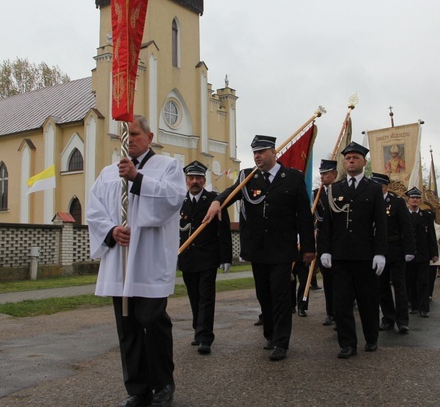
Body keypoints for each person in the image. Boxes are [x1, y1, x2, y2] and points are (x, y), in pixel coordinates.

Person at [87, 115, 185, 407]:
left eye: (136, 133)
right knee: (127, 326)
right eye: (126, 135)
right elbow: (94, 211)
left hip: (150, 259)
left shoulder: (168, 166)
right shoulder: (107, 173)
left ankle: (162, 385)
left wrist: (136, 178)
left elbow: (173, 199)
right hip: (121, 259)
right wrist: (111, 230)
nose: (131, 139)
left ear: (150, 136)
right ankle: (137, 389)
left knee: (152, 321)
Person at [205, 135, 315, 362]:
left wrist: (308, 248)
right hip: (257, 248)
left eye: (262, 152)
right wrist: (217, 200)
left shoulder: (293, 178)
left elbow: (304, 217)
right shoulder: (247, 177)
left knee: (281, 295)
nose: (257, 156)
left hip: (282, 248)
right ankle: (270, 334)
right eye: (254, 152)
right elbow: (232, 193)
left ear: (274, 152)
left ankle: (281, 342)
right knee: (263, 294)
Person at [318, 142, 387, 358]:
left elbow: (380, 223)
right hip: (341, 255)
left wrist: (380, 252)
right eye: (348, 158)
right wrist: (325, 250)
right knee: (342, 302)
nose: (351, 161)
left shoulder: (373, 188)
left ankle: (371, 337)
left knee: (368, 300)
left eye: (355, 158)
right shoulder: (335, 189)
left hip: (365, 254)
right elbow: (327, 224)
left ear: (364, 162)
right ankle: (347, 343)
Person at [178, 160, 232, 355]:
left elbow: (223, 231)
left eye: (198, 178)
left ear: (203, 180)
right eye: (191, 178)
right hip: (187, 259)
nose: (194, 182)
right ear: (186, 180)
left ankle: (205, 337)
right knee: (194, 296)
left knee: (206, 298)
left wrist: (226, 258)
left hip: (208, 258)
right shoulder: (180, 202)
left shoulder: (214, 200)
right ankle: (197, 330)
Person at [371, 173, 415, 335]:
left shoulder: (396, 203)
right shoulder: (370, 202)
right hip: (377, 251)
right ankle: (388, 319)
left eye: (378, 186)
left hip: (395, 249)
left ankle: (402, 321)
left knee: (399, 286)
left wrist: (410, 250)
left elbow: (407, 227)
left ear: (384, 187)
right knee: (382, 287)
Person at [404, 187, 439, 317]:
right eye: (412, 198)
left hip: (423, 253)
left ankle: (424, 308)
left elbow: (431, 235)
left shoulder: (426, 216)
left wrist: (434, 253)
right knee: (410, 281)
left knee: (423, 281)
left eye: (417, 198)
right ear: (408, 200)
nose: (415, 200)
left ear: (420, 201)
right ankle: (413, 305)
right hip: (408, 254)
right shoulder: (403, 215)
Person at [313, 159, 338, 326]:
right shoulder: (317, 194)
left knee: (341, 280)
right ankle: (330, 313)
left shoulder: (341, 190)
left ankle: (342, 312)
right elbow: (317, 217)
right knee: (328, 280)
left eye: (326, 173)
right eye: (321, 173)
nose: (322, 176)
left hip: (339, 240)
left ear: (334, 174)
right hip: (324, 240)